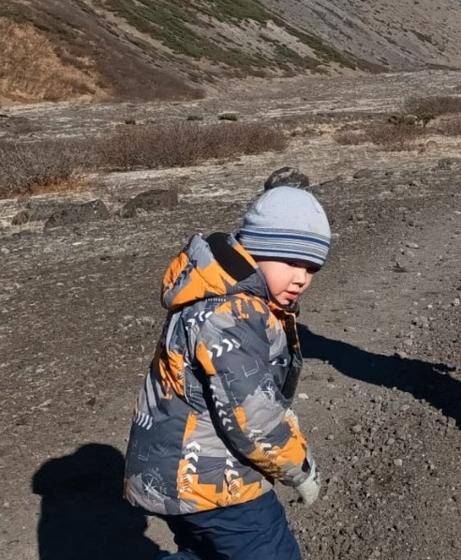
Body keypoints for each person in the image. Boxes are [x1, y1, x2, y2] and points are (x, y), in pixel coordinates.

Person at [124, 186, 330, 560]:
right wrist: (298, 467)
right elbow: (253, 419)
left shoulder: (218, 297)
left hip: (181, 473)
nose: (301, 277)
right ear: (254, 252)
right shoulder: (231, 315)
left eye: (311, 267)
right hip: (217, 483)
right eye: (290, 262)